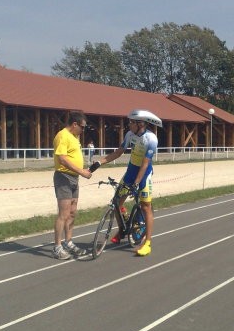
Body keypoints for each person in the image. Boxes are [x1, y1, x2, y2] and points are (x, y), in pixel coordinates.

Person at [94, 109, 161, 256]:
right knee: (117, 202)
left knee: (146, 206)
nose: (128, 125)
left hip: (144, 175)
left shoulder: (151, 139)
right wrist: (99, 163)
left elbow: (145, 164)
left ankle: (147, 243)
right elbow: (118, 152)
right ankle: (123, 229)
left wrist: (136, 183)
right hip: (130, 172)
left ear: (140, 124)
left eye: (131, 122)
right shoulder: (130, 135)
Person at [52, 111, 93, 259]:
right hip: (64, 177)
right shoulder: (62, 136)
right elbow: (62, 159)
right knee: (63, 214)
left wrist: (82, 171)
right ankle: (57, 247)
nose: (83, 130)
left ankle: (68, 242)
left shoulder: (74, 137)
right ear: (74, 124)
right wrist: (82, 172)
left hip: (74, 178)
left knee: (72, 212)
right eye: (82, 127)